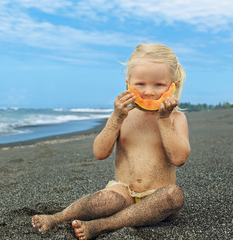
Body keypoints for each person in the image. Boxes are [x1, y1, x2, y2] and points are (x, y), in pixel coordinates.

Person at [31, 43, 190, 240]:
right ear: (128, 84)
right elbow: (100, 152)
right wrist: (116, 118)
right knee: (105, 199)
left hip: (158, 198)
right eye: (140, 84)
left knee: (174, 195)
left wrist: (164, 120)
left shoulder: (175, 119)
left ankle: (102, 225)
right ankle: (57, 217)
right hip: (124, 193)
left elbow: (179, 158)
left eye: (159, 85)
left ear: (172, 86)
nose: (149, 92)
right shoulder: (123, 117)